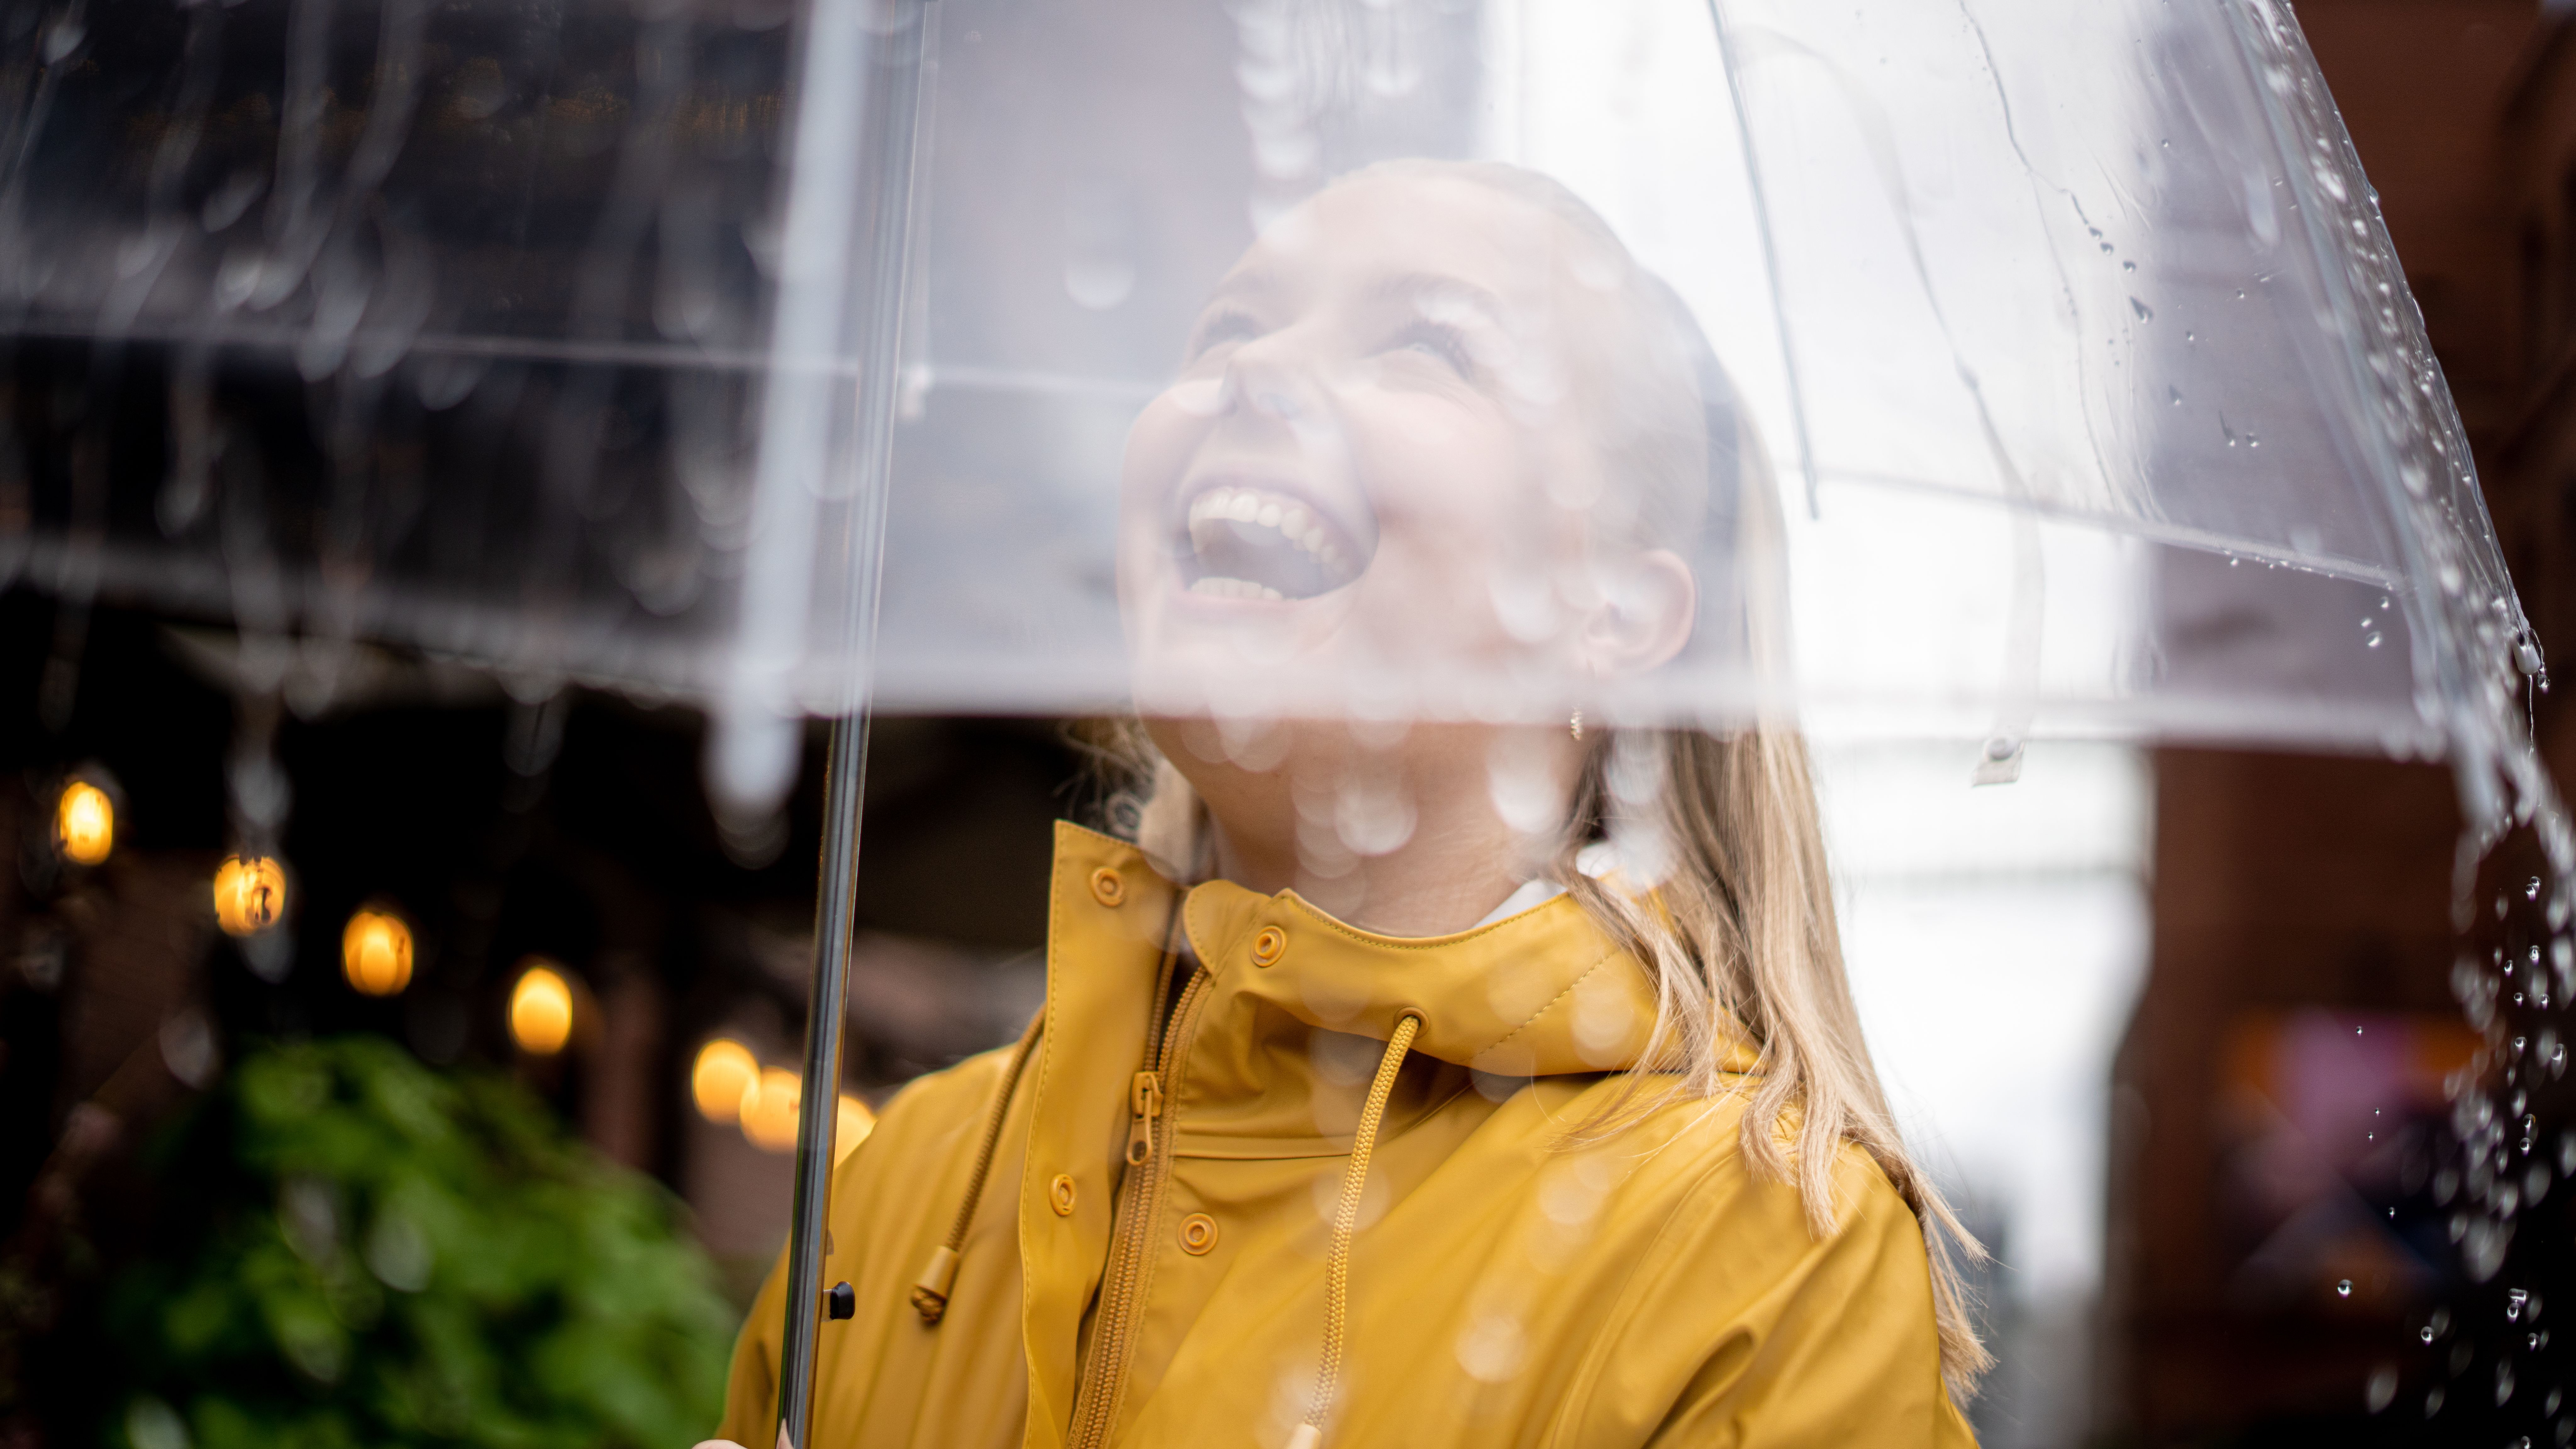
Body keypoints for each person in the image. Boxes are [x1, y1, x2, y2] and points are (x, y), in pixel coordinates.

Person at [702, 160, 1985, 1449]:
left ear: (1614, 615)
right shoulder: (910, 1177)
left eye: (1427, 346)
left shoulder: (1764, 1260)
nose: (1251, 378)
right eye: (1229, 330)